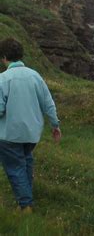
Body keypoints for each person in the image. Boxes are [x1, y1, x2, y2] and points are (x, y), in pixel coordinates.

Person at [0, 38, 62, 212]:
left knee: (15, 168)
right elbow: (48, 102)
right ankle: (27, 194)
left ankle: (26, 205)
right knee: (25, 161)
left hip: (9, 135)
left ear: (4, 57)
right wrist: (55, 124)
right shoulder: (35, 76)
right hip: (32, 134)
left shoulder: (3, 79)